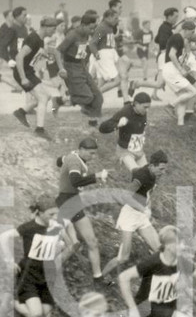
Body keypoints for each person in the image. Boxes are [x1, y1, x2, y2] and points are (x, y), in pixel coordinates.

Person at [0, 195, 73, 317]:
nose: (54, 218)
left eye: (56, 214)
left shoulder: (56, 227)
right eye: (50, 215)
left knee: (46, 314)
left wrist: (59, 253)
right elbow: (4, 237)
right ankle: (12, 301)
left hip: (47, 277)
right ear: (39, 213)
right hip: (28, 275)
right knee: (36, 313)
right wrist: (9, 260)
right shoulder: (29, 228)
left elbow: (69, 245)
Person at [100, 149, 169, 280]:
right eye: (161, 169)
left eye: (165, 169)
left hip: (141, 216)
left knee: (160, 251)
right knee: (123, 257)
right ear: (152, 165)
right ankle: (100, 278)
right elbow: (125, 197)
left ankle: (155, 283)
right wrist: (143, 209)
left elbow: (148, 192)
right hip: (129, 216)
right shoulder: (141, 176)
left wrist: (148, 209)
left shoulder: (154, 175)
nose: (163, 172)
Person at [55, 137, 109, 280]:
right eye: (91, 153)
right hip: (64, 203)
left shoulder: (74, 157)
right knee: (67, 244)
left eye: (94, 153)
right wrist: (96, 176)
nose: (93, 156)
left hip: (75, 202)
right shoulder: (74, 160)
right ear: (82, 150)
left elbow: (58, 161)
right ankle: (48, 275)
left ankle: (98, 277)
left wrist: (64, 159)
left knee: (92, 241)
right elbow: (75, 181)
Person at [12, 16, 62, 140]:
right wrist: (23, 78)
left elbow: (35, 58)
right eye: (53, 29)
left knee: (46, 96)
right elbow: (19, 57)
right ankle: (39, 129)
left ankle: (21, 112)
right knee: (43, 97)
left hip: (29, 71)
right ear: (45, 27)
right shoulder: (34, 38)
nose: (54, 31)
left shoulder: (40, 39)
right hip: (23, 72)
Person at [54, 12, 104, 126]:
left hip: (81, 67)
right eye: (91, 28)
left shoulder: (86, 35)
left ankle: (92, 123)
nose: (93, 31)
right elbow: (57, 51)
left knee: (98, 96)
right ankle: (58, 101)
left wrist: (86, 63)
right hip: (70, 67)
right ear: (83, 25)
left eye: (95, 28)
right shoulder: (72, 35)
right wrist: (61, 69)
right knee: (87, 97)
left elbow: (83, 51)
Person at [98, 91, 152, 170]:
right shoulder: (125, 112)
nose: (147, 110)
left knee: (147, 174)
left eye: (148, 107)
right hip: (125, 151)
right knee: (137, 173)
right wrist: (117, 125)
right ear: (136, 104)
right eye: (145, 107)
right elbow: (102, 128)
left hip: (138, 150)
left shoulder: (142, 111)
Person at [0, 8, 26, 93]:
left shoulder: (13, 25)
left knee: (13, 69)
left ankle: (17, 87)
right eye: (11, 15)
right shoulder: (4, 26)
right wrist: (6, 41)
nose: (13, 16)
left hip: (7, 51)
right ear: (6, 17)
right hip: (1, 51)